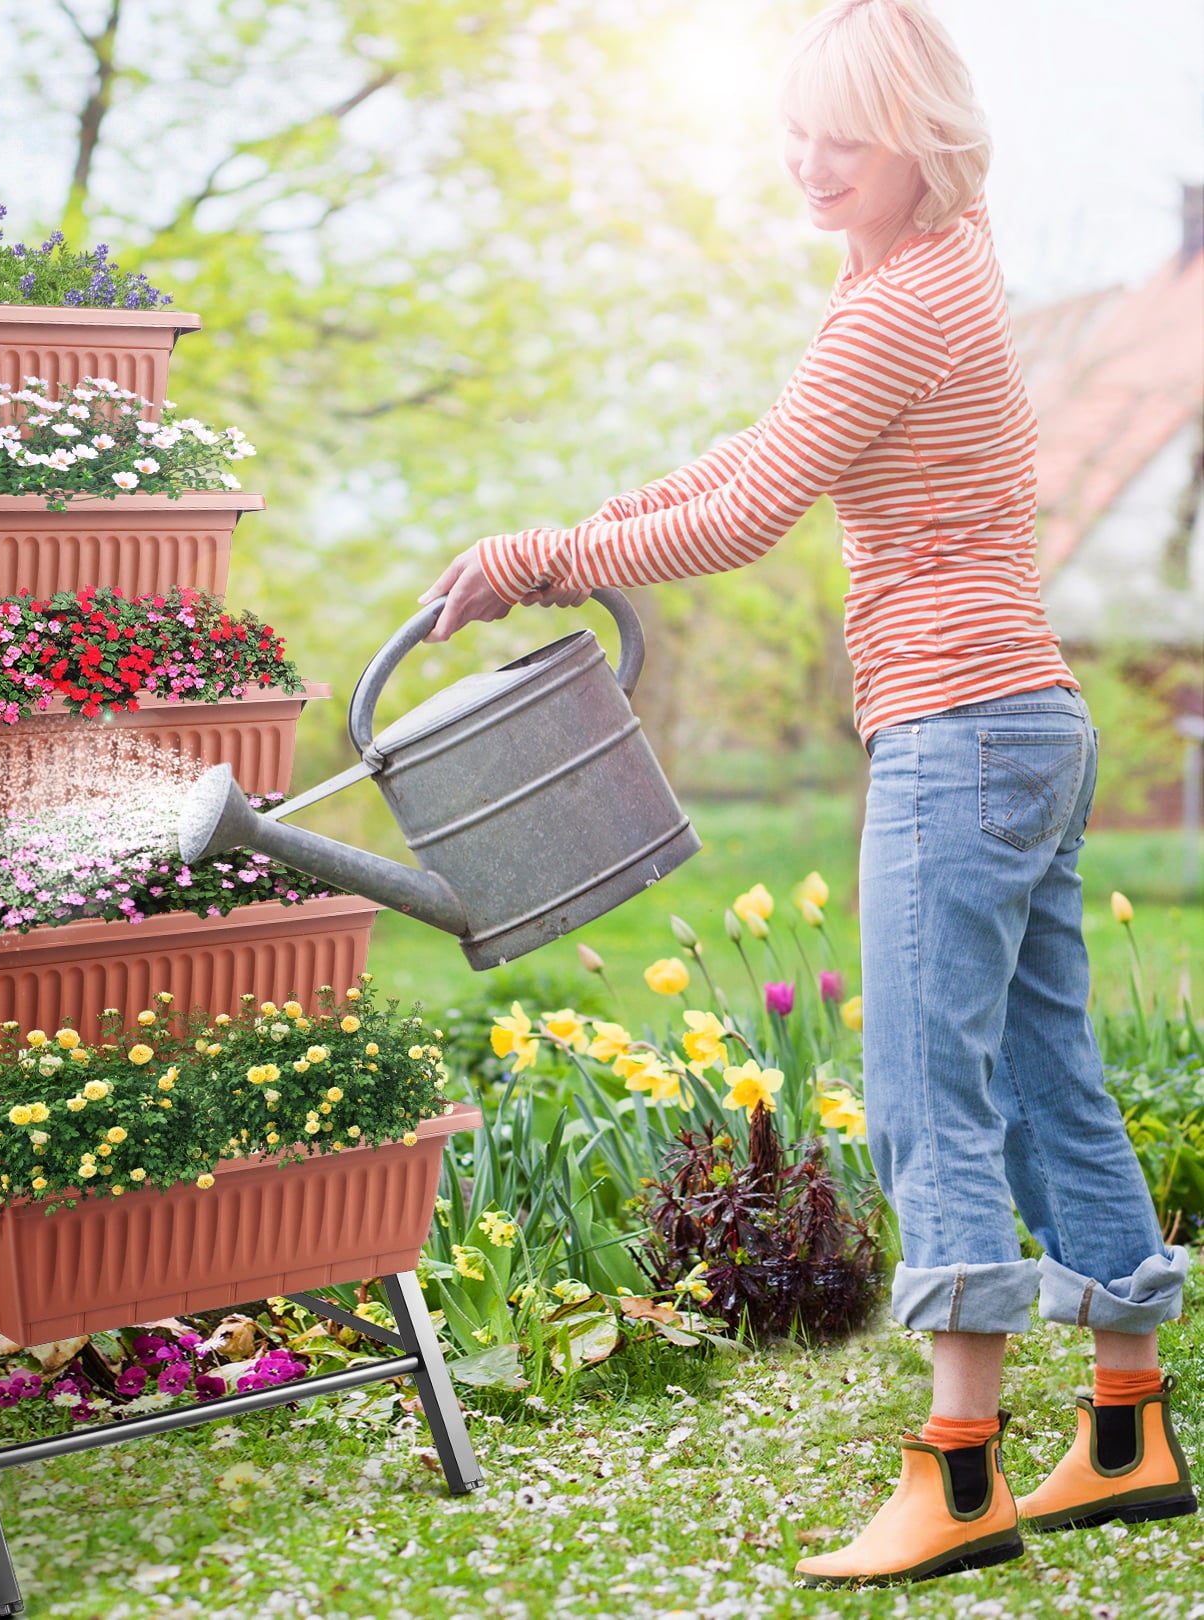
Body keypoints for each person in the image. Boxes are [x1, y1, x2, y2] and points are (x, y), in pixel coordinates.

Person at [420, 0, 1193, 1587]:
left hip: (959, 731)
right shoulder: (934, 269)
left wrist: (534, 562)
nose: (811, 163)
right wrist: (565, 531)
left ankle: (961, 1469)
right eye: (797, 131)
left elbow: (753, 508)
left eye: (847, 137)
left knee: (926, 1095)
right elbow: (767, 448)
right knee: (1046, 1079)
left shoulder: (891, 308)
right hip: (1028, 718)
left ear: (923, 139)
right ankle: (1125, 1432)